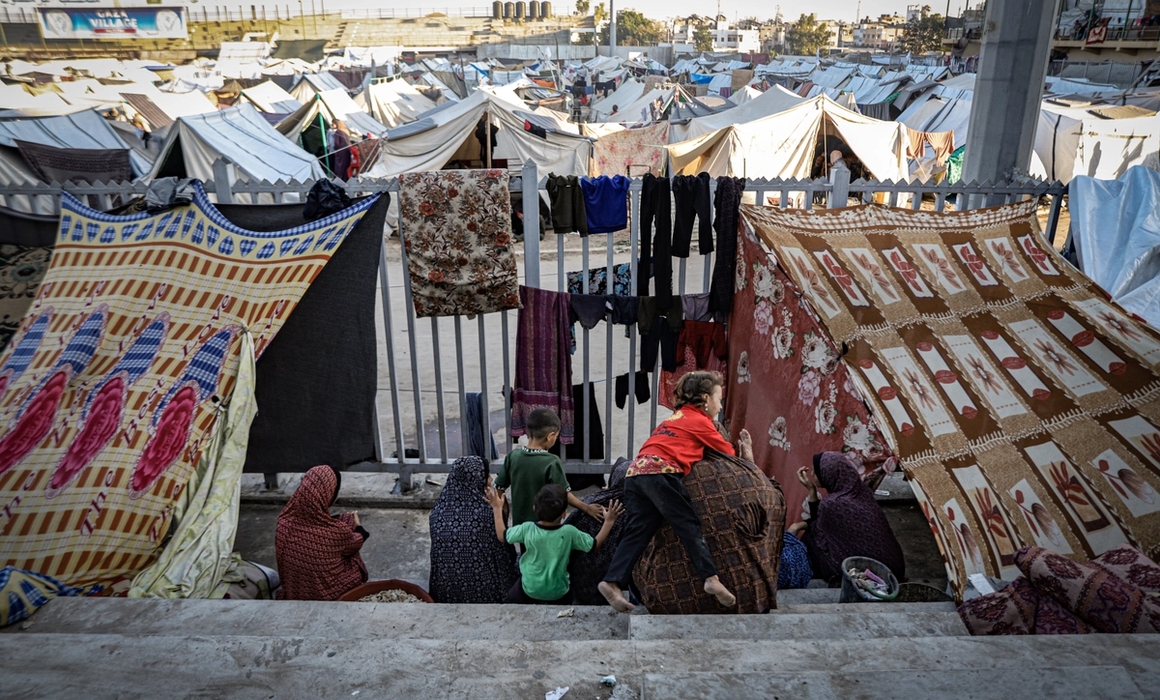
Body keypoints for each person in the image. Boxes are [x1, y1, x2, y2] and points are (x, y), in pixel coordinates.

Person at [598, 371, 753, 613]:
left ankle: (612, 581)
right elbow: (727, 453)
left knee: (637, 531)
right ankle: (710, 578)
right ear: (705, 399)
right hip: (661, 473)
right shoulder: (701, 421)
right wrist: (746, 454)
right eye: (718, 398)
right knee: (688, 524)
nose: (720, 405)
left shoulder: (670, 420)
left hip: (636, 472)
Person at [486, 483, 623, 604]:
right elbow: (594, 545)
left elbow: (502, 536)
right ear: (564, 514)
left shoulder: (527, 529)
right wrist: (609, 521)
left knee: (510, 597)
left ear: (534, 508)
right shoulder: (569, 532)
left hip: (530, 589)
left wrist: (497, 508)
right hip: (559, 592)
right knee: (571, 594)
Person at [794, 451, 906, 585]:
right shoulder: (860, 491)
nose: (812, 474)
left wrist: (797, 526)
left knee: (810, 540)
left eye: (815, 471)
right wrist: (811, 490)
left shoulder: (832, 504)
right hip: (894, 569)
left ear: (827, 474)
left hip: (877, 577)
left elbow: (816, 528)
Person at [428, 456, 519, 604]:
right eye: (487, 475)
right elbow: (505, 557)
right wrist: (500, 510)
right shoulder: (488, 514)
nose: (490, 480)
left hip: (446, 594)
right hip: (486, 595)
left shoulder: (436, 515)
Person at [494, 408, 604, 527]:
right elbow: (564, 494)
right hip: (545, 528)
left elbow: (499, 487)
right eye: (556, 436)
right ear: (550, 436)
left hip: (520, 529)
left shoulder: (513, 456)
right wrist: (586, 508)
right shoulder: (552, 462)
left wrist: (504, 509)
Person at [275, 465, 369, 600]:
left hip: (295, 592)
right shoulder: (336, 532)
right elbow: (356, 542)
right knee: (351, 547)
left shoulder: (283, 522)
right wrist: (359, 527)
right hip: (326, 595)